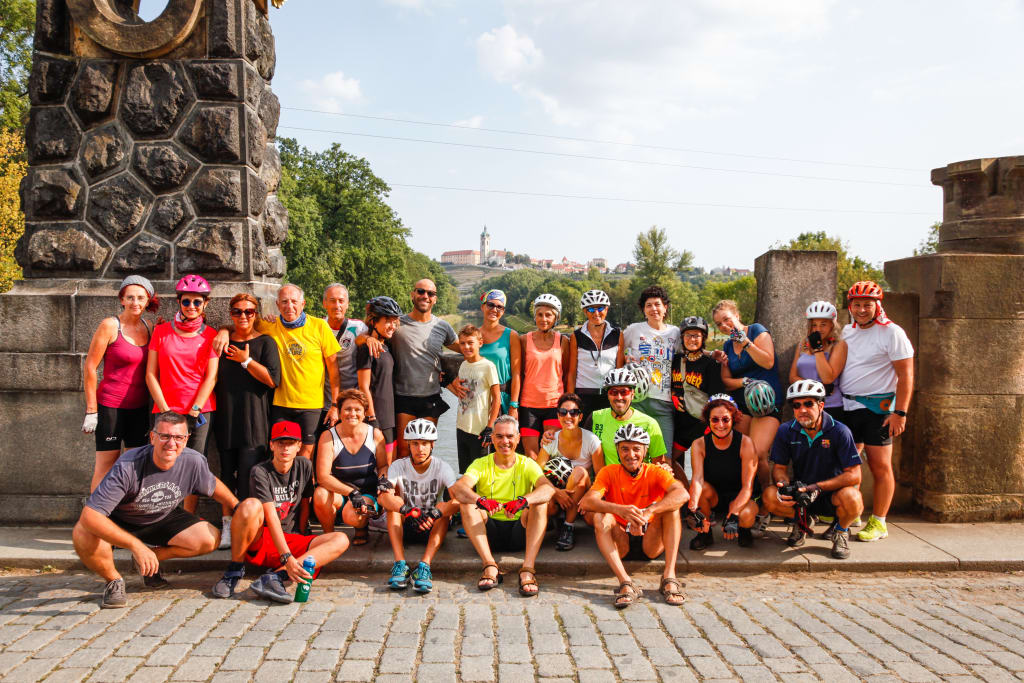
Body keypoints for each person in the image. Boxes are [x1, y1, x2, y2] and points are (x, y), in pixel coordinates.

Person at [73, 411, 238, 608]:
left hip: (162, 516)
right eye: (165, 436)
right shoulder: (128, 464)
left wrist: (239, 507)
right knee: (83, 532)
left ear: (186, 440)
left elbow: (213, 485)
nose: (171, 443)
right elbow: (90, 515)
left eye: (178, 437)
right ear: (152, 437)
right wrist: (136, 545)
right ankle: (114, 581)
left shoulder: (193, 460)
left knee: (210, 538)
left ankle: (151, 561)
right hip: (122, 520)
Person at [212, 421, 350, 602]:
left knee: (341, 539)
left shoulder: (304, 465)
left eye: (290, 443)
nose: (285, 448)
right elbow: (271, 515)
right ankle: (235, 570)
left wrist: (300, 535)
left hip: (292, 539)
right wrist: (287, 557)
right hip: (264, 538)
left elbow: (305, 503)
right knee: (250, 505)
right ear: (271, 445)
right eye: (280, 443)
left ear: (299, 446)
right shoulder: (260, 471)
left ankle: (275, 577)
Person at [214, 284, 342, 460]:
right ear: (277, 304)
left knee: (305, 455)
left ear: (303, 303)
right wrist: (223, 331)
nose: (289, 306)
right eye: (284, 302)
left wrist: (335, 405)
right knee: (278, 455)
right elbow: (242, 324)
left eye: (294, 301)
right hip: (279, 403)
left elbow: (334, 371)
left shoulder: (319, 326)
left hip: (311, 404)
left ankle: (302, 488)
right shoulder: (267, 325)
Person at [581, 423, 687, 608]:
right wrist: (619, 510)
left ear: (645, 451)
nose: (631, 455)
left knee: (673, 508)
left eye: (636, 449)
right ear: (617, 451)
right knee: (600, 516)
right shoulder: (609, 471)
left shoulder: (654, 471)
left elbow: (682, 494)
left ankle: (669, 577)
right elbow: (587, 502)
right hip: (620, 540)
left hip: (651, 540)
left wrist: (649, 512)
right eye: (625, 449)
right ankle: (626, 583)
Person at [840, 281, 914, 543]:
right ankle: (854, 511)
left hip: (877, 408)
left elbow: (906, 375)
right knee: (849, 464)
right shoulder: (847, 331)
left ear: (877, 306)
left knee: (880, 466)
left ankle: (879, 521)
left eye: (867, 305)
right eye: (857, 305)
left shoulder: (892, 333)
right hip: (848, 406)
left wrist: (900, 413)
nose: (861, 310)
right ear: (850, 306)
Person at [451, 415, 555, 596]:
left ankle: (527, 570)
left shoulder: (527, 464)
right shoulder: (481, 464)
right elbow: (458, 488)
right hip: (489, 531)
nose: (504, 441)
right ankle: (490, 566)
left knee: (540, 503)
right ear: (492, 438)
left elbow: (548, 489)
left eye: (509, 436)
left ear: (518, 438)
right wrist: (481, 501)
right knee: (467, 504)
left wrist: (523, 501)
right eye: (499, 436)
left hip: (519, 530)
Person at [762, 380, 864, 559]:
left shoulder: (840, 431)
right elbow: (779, 467)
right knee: (770, 496)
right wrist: (783, 484)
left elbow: (854, 475)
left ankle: (840, 531)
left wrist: (818, 487)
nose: (802, 409)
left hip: (832, 494)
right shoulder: (785, 430)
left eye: (808, 403)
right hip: (802, 493)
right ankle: (802, 522)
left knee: (853, 498)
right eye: (796, 405)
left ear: (821, 405)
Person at [145, 275, 220, 514]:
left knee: (193, 463)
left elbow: (211, 376)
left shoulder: (211, 335)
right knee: (162, 462)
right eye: (186, 302)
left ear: (205, 304)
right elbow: (150, 374)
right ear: (179, 302)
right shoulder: (161, 331)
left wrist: (195, 408)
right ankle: (161, 515)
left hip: (199, 411)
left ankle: (186, 518)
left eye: (197, 302)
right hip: (165, 409)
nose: (191, 307)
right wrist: (165, 408)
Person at [213, 293, 281, 548]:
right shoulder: (222, 341)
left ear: (256, 314)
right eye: (237, 312)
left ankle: (249, 526)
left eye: (249, 312)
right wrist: (222, 330)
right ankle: (228, 527)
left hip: (255, 419)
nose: (243, 316)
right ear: (230, 314)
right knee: (226, 476)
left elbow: (273, 380)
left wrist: (246, 361)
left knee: (249, 476)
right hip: (226, 416)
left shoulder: (265, 343)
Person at [712, 298, 783, 537]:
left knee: (760, 454)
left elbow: (768, 361)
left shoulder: (757, 331)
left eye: (727, 320)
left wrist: (747, 343)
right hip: (742, 405)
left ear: (737, 315)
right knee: (743, 456)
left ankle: (767, 502)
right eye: (719, 324)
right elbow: (727, 382)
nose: (724, 326)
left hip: (766, 405)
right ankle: (745, 505)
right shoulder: (727, 346)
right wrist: (743, 380)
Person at [83, 275, 158, 491]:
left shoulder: (149, 326)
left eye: (140, 298)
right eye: (130, 297)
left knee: (135, 466)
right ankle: (95, 520)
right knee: (107, 465)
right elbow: (90, 367)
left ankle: (125, 519)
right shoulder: (110, 325)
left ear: (147, 301)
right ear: (122, 299)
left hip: (139, 409)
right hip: (111, 408)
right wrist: (91, 410)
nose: (135, 302)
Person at [377, 419, 459, 593]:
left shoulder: (443, 467)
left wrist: (436, 513)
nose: (420, 449)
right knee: (393, 506)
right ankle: (400, 565)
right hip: (408, 520)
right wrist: (407, 510)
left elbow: (458, 501)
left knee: (445, 511)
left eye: (424, 444)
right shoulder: (398, 466)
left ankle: (424, 567)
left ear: (432, 445)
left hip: (432, 524)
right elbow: (383, 499)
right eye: (415, 443)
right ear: (408, 444)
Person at [389, 279, 460, 459]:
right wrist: (368, 339)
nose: (425, 296)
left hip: (430, 397)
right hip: (403, 396)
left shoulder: (442, 326)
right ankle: (403, 488)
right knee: (404, 451)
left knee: (425, 452)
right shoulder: (397, 324)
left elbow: (468, 349)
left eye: (430, 294)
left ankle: (425, 488)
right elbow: (370, 334)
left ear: (435, 299)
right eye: (421, 291)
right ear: (413, 294)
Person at [313, 389, 388, 546]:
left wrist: (383, 480)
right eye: (347, 409)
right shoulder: (328, 436)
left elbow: (383, 466)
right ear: (339, 412)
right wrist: (351, 493)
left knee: (353, 514)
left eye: (357, 410)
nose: (352, 413)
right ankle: (329, 536)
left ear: (364, 413)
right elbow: (323, 477)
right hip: (341, 495)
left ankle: (361, 528)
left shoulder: (375, 434)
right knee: (320, 494)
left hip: (367, 494)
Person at [686, 394, 759, 550]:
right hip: (715, 497)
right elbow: (697, 479)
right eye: (715, 419)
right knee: (702, 489)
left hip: (740, 496)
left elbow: (748, 487)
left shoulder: (745, 443)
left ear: (733, 419)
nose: (720, 425)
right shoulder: (699, 444)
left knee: (745, 515)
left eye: (725, 419)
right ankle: (705, 534)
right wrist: (693, 509)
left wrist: (733, 515)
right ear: (708, 420)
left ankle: (744, 530)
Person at [538, 393, 602, 551]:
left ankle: (568, 526)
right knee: (544, 503)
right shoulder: (551, 439)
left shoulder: (591, 440)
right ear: (558, 416)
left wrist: (591, 497)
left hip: (581, 493)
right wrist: (556, 492)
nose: (568, 416)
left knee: (579, 471)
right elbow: (536, 473)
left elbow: (601, 475)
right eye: (563, 412)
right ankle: (553, 520)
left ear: (580, 417)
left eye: (573, 412)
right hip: (556, 494)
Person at [620, 285, 680, 449]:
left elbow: (691, 353)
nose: (654, 309)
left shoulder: (675, 333)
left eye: (657, 304)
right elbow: (615, 351)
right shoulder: (634, 330)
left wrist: (714, 355)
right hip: (637, 401)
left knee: (663, 456)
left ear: (665, 307)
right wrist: (625, 356)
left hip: (664, 402)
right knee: (636, 453)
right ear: (644, 310)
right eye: (649, 305)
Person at [669, 315, 726, 480]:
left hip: (701, 424)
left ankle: (700, 501)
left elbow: (716, 398)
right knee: (669, 461)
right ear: (682, 338)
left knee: (701, 466)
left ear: (704, 338)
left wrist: (711, 425)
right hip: (680, 423)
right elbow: (671, 385)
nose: (692, 339)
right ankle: (684, 496)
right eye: (688, 335)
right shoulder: (676, 360)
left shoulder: (711, 364)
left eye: (696, 335)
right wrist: (673, 394)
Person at [519, 294, 569, 460]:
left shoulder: (563, 341)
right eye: (540, 314)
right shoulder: (524, 340)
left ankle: (549, 487)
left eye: (548, 315)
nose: (543, 319)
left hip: (554, 405)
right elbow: (517, 372)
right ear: (535, 316)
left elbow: (567, 372)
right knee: (531, 455)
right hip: (528, 404)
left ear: (556, 318)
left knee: (551, 453)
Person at [589, 367, 668, 470]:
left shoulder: (649, 424)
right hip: (608, 482)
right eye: (613, 392)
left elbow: (658, 466)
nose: (619, 397)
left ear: (632, 394)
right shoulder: (596, 418)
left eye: (624, 392)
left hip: (639, 483)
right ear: (608, 395)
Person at [318, 283, 368, 442]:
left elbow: (376, 335)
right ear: (324, 303)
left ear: (347, 304)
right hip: (324, 401)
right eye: (332, 301)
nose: (337, 305)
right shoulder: (317, 326)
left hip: (353, 402)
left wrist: (368, 338)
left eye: (341, 301)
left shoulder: (359, 327)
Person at [567, 290, 622, 423]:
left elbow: (619, 368)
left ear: (607, 309)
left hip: (608, 395)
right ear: (585, 311)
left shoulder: (617, 334)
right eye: (591, 309)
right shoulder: (577, 336)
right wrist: (570, 399)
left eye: (600, 308)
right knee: (583, 437)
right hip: (583, 395)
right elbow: (572, 371)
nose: (596, 313)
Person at [789, 300, 848, 422]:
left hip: (830, 405)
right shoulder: (802, 344)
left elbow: (828, 378)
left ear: (832, 324)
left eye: (823, 324)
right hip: (804, 405)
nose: (818, 329)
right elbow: (792, 377)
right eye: (814, 325)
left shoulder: (839, 345)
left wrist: (818, 349)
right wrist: (816, 387)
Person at [356, 296, 401, 456]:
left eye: (395, 321)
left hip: (389, 415)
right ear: (374, 321)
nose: (392, 326)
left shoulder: (385, 346)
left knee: (391, 465)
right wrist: (372, 417)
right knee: (382, 465)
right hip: (377, 416)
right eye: (388, 320)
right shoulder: (366, 348)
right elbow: (363, 386)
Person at [453, 325, 501, 473]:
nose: (466, 347)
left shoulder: (488, 366)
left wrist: (490, 427)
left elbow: (497, 399)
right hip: (461, 427)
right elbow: (464, 393)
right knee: (465, 473)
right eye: (462, 343)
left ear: (480, 343)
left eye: (470, 343)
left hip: (479, 430)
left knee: (481, 473)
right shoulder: (463, 365)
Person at [477, 289, 521, 417]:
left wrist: (514, 404)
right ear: (483, 307)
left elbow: (516, 373)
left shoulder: (511, 335)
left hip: (503, 399)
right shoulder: (473, 335)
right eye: (490, 305)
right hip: (480, 398)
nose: (494, 309)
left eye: (499, 307)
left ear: (503, 311)